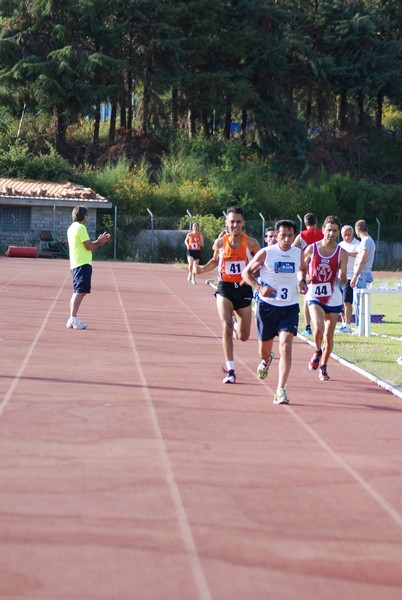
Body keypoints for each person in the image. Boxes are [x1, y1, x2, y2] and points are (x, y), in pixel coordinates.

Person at [242, 220, 307, 405]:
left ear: (294, 236)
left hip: (289, 307)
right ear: (276, 235)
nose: (286, 239)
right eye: (282, 235)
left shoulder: (298, 254)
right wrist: (259, 287)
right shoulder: (266, 253)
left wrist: (302, 281)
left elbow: (302, 268)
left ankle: (280, 389)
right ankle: (266, 360)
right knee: (264, 351)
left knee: (285, 345)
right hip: (267, 307)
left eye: (290, 235)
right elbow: (246, 273)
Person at [196, 206, 260, 383]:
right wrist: (202, 270)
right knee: (225, 327)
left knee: (244, 336)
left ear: (243, 223)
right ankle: (231, 370)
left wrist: (256, 278)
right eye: (232, 221)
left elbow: (260, 263)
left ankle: (235, 322)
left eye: (238, 221)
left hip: (244, 288)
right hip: (225, 287)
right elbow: (215, 261)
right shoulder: (220, 243)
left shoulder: (252, 243)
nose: (235, 225)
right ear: (227, 223)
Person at [303, 216, 348, 381]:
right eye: (329, 230)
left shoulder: (341, 253)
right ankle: (317, 350)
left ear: (338, 233)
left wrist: (343, 276)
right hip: (314, 293)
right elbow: (301, 267)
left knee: (329, 335)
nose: (331, 233)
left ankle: (323, 366)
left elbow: (343, 280)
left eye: (335, 231)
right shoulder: (311, 249)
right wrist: (305, 276)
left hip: (333, 296)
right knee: (318, 326)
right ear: (323, 230)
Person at [66, 205, 110, 329]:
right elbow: (89, 246)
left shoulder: (71, 228)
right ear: (83, 216)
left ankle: (71, 318)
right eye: (87, 215)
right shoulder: (81, 228)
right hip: (82, 263)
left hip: (75, 263)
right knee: (80, 291)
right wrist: (100, 242)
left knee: (77, 291)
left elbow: (86, 245)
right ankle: (73, 318)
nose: (87, 217)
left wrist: (98, 241)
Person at [292, 213, 324, 336]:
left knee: (307, 297)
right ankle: (320, 324)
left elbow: (292, 247)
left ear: (305, 223)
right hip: (322, 268)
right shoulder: (323, 233)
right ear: (316, 222)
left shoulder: (302, 235)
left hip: (307, 267)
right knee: (321, 296)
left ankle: (308, 326)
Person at [350, 220, 376, 326]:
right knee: (360, 303)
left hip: (362, 274)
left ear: (357, 230)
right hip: (364, 273)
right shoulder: (367, 240)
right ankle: (361, 326)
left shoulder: (366, 241)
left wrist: (355, 276)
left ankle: (360, 327)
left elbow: (363, 260)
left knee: (359, 303)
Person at [338, 225, 360, 333]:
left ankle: (347, 324)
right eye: (344, 235)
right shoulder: (340, 245)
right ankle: (343, 323)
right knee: (339, 302)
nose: (346, 237)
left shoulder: (357, 244)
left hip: (350, 276)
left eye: (348, 235)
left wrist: (347, 254)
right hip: (340, 277)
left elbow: (360, 255)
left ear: (353, 234)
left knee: (347, 302)